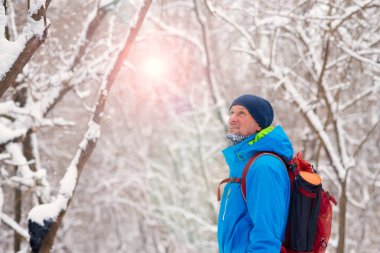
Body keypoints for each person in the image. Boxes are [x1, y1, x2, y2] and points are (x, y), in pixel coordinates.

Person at [217, 94, 294, 253]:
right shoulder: (243, 162)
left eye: (241, 113)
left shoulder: (264, 167)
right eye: (232, 112)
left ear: (259, 124)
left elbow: (267, 236)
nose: (232, 119)